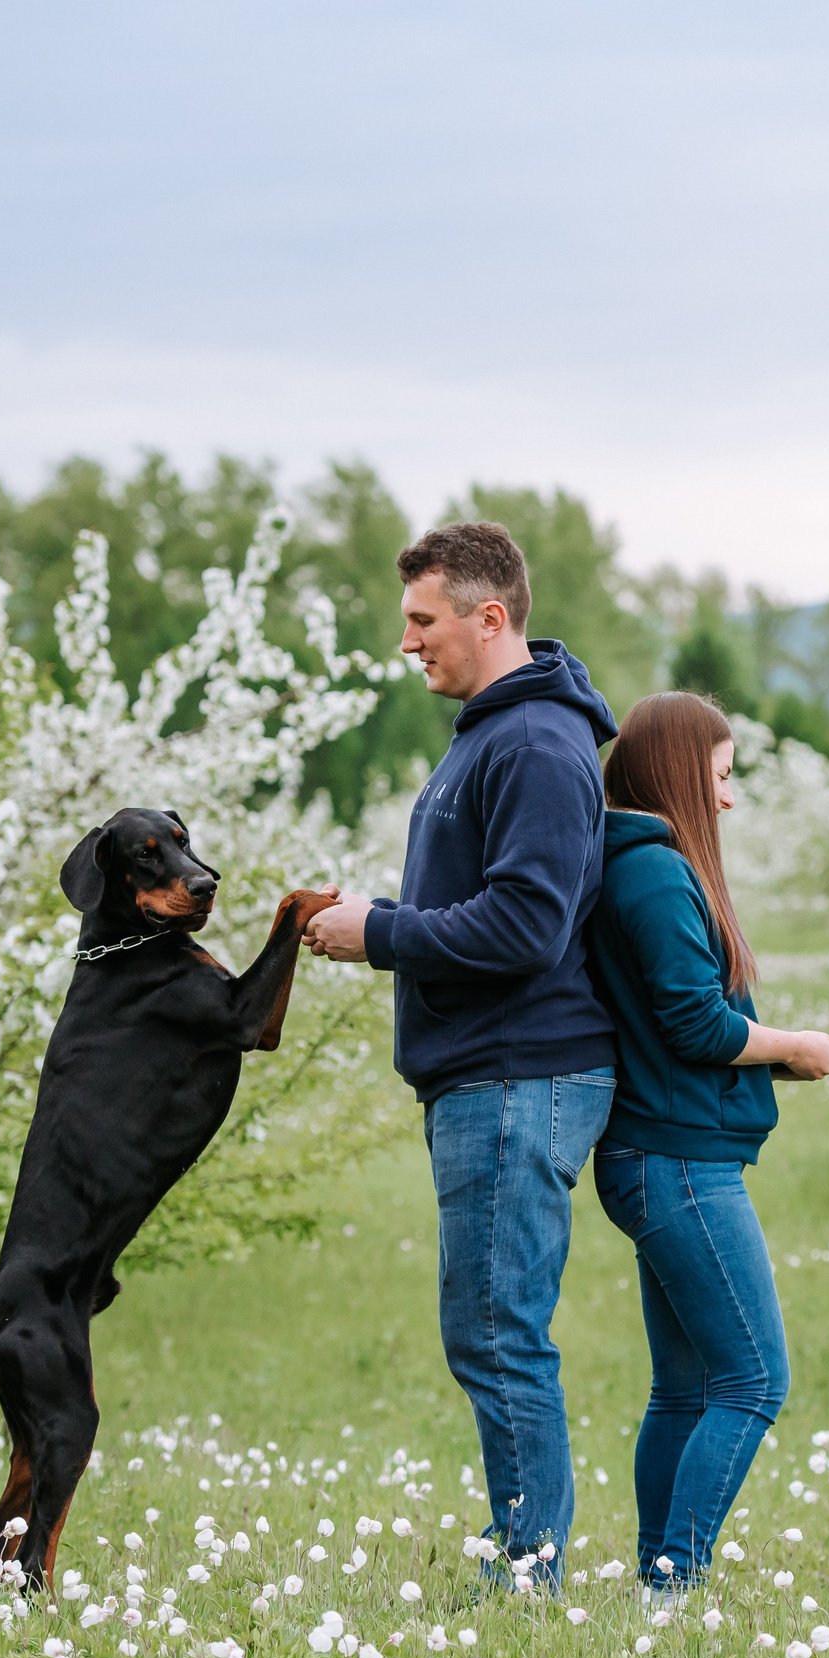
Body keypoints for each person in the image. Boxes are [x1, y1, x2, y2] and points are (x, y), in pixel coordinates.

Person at [305, 521, 616, 1586]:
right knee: (489, 1328)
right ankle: (523, 1558)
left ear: (491, 617)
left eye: (423, 620)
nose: (408, 642)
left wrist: (378, 931)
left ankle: (527, 1574)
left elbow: (526, 927)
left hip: (518, 1072)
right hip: (492, 1070)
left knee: (496, 1332)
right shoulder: (499, 731)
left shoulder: (531, 742)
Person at [588, 691, 829, 1598]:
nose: (728, 799)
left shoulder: (629, 862)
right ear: (676, 769)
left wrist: (785, 1060)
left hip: (661, 1152)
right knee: (752, 1380)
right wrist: (796, 1043)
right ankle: (673, 1581)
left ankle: (653, 1581)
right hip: (680, 1162)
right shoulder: (654, 871)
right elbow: (696, 1023)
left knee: (687, 1387)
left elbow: (679, 1023)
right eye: (722, 775)